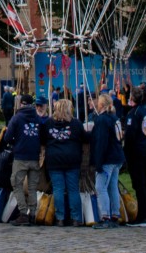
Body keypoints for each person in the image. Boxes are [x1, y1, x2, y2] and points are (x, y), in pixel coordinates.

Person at [39, 97, 84, 227]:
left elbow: (42, 140)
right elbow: (85, 137)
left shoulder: (48, 123)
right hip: (72, 159)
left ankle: (60, 218)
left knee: (58, 189)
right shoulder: (76, 124)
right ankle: (75, 218)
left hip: (54, 160)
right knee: (73, 189)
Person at [4, 95, 47, 225]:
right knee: (33, 188)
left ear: (21, 104)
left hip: (20, 157)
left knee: (17, 184)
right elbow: (43, 137)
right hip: (34, 157)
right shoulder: (38, 119)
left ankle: (23, 213)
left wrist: (15, 142)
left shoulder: (17, 118)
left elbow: (7, 137)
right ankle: (33, 214)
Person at [88, 92, 124, 226]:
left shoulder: (102, 120)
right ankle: (115, 213)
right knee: (112, 186)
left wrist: (98, 162)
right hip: (116, 156)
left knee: (100, 187)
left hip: (108, 158)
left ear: (101, 104)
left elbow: (101, 142)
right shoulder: (114, 118)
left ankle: (105, 216)